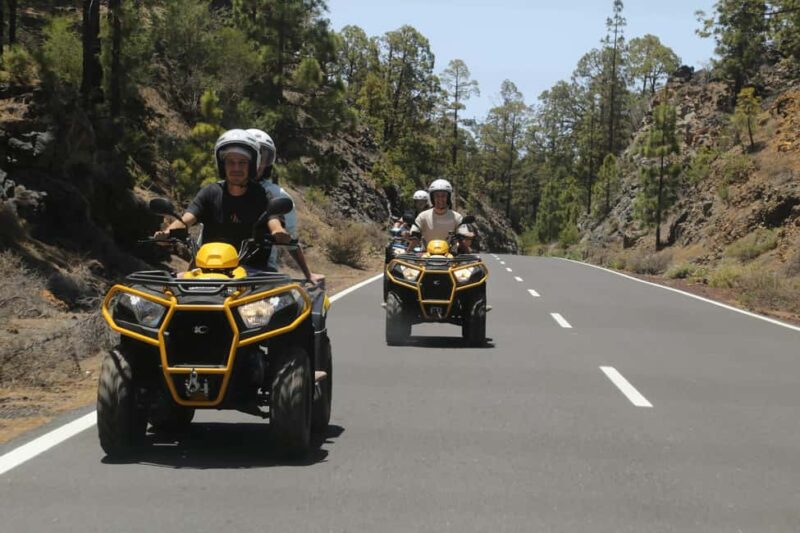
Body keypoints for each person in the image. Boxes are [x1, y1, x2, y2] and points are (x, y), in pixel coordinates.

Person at [154, 129, 290, 268]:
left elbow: (273, 220)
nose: (236, 168)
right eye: (231, 162)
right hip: (208, 269)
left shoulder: (263, 196)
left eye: (242, 162)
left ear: (251, 165)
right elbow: (186, 219)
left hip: (251, 274)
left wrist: (278, 233)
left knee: (282, 289)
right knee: (174, 285)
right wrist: (167, 233)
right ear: (222, 165)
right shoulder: (210, 192)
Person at [247, 128, 323, 284]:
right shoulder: (218, 191)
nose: (257, 162)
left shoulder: (276, 195)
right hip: (217, 267)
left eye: (263, 156)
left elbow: (290, 239)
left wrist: (307, 274)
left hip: (262, 271)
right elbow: (206, 236)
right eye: (252, 155)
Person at [407, 178, 473, 254]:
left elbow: (464, 237)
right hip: (426, 256)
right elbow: (414, 236)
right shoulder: (422, 216)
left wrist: (468, 236)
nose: (440, 199)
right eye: (437, 196)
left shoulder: (457, 217)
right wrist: (408, 238)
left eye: (443, 196)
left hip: (451, 257)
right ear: (432, 198)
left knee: (473, 265)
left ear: (448, 198)